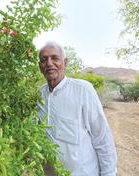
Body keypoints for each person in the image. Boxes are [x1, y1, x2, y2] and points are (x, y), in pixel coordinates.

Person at [37, 41, 117, 176]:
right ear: (40, 66)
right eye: (44, 60)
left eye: (55, 58)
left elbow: (102, 138)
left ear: (66, 63)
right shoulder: (39, 95)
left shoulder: (83, 90)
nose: (49, 63)